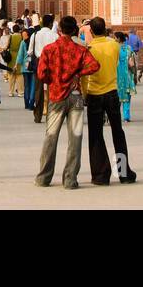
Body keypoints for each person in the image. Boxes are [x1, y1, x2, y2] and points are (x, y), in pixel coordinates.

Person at [35, 16, 99, 190]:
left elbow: (41, 74)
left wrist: (53, 80)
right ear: (75, 31)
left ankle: (44, 177)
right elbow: (94, 66)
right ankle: (70, 179)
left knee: (51, 137)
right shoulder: (80, 50)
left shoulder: (49, 50)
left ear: (59, 30)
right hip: (76, 96)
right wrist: (78, 74)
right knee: (75, 138)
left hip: (56, 97)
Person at [83, 17, 135, 184]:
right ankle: (123, 172)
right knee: (117, 132)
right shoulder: (114, 45)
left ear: (91, 31)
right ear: (105, 29)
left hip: (94, 93)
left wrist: (85, 94)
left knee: (96, 135)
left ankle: (100, 175)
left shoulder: (89, 49)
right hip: (112, 92)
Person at [115, 31, 136, 122]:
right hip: (127, 75)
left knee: (117, 97)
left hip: (117, 74)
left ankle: (116, 115)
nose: (114, 39)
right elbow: (132, 63)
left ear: (118, 39)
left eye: (115, 38)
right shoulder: (129, 48)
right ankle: (126, 117)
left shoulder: (114, 48)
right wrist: (134, 75)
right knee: (127, 97)